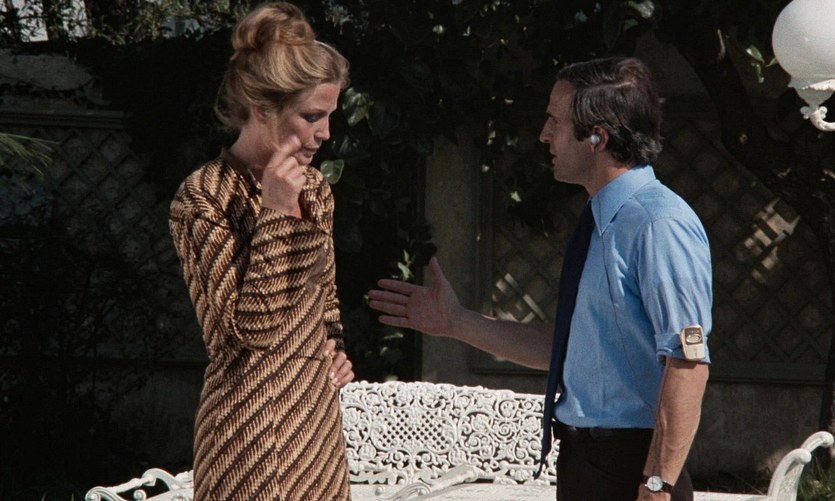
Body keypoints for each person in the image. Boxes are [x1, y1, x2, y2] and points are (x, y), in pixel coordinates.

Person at [367, 57, 712, 501]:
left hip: (634, 467)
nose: (543, 134)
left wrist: (657, 482)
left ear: (597, 137)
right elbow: (568, 350)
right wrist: (456, 322)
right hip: (588, 462)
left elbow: (688, 363)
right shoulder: (603, 219)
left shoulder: (657, 223)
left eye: (555, 121)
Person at [169, 3, 355, 499]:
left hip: (316, 436)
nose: (325, 133)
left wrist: (335, 347)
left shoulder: (315, 189)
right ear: (262, 109)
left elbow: (325, 298)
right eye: (311, 116)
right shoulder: (202, 197)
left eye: (329, 116)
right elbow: (245, 332)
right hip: (245, 438)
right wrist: (274, 214)